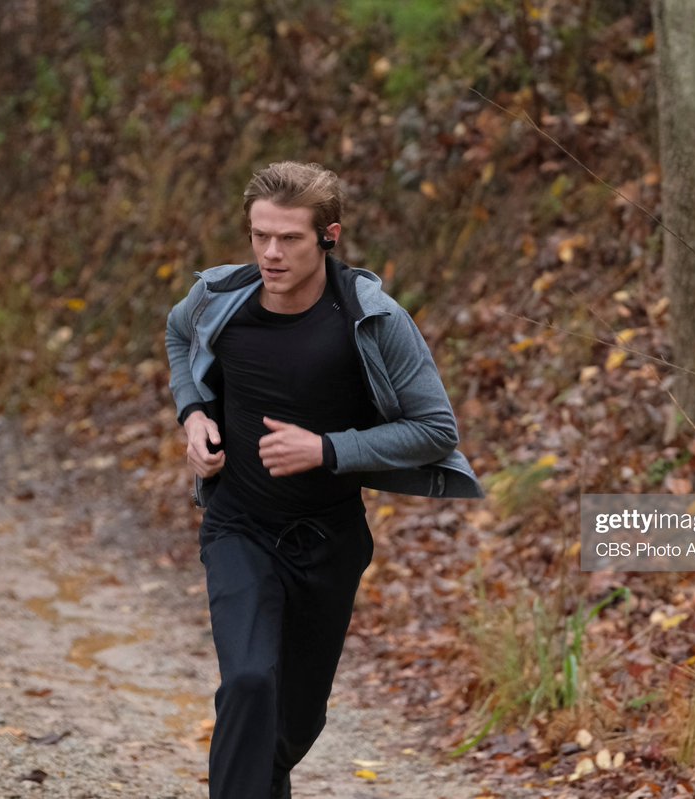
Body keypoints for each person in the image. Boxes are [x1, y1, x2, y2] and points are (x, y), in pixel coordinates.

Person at [164, 161, 482, 799]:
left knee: (291, 727)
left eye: (289, 239)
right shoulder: (219, 297)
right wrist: (193, 414)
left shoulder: (370, 318)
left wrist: (327, 448)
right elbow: (178, 336)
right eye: (260, 236)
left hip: (328, 541)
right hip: (239, 526)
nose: (270, 254)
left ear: (328, 236)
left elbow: (436, 429)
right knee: (249, 682)